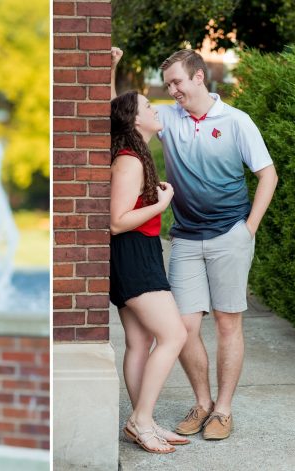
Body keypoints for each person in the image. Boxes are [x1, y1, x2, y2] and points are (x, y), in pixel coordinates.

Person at [113, 47, 278, 441]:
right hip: (186, 237)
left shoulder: (238, 121)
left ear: (199, 77)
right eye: (168, 84)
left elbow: (267, 175)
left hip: (230, 236)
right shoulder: (168, 117)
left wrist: (248, 229)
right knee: (184, 327)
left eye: (177, 82)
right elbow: (120, 113)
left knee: (227, 323)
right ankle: (202, 402)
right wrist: (113, 67)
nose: (172, 91)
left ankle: (223, 410)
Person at [109, 89, 190, 454]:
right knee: (174, 335)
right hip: (132, 255)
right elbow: (117, 222)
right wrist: (162, 203)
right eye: (147, 106)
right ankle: (140, 420)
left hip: (138, 252)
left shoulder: (135, 155)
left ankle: (146, 421)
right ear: (134, 119)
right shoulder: (130, 161)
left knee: (140, 342)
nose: (154, 108)